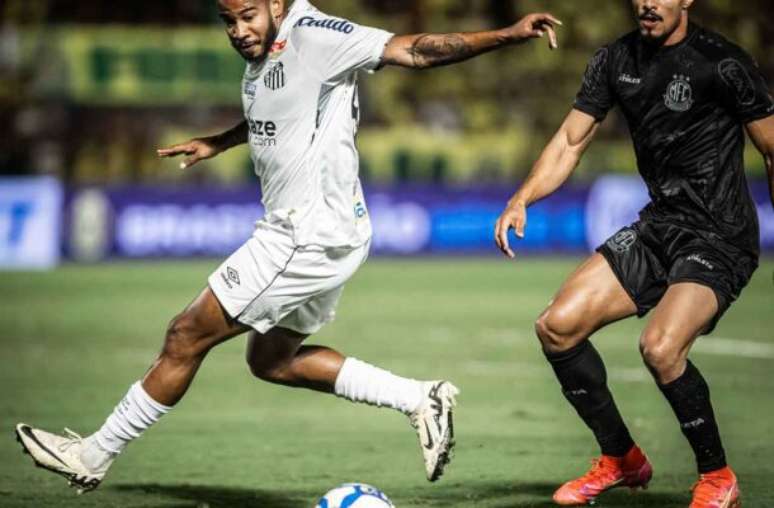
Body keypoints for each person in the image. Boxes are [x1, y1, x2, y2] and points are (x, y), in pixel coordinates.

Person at [16, 0, 562, 493]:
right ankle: (420, 398)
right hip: (326, 233)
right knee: (271, 361)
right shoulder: (266, 53)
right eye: (227, 19)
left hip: (304, 235)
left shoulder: (316, 35)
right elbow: (276, 114)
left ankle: (92, 454)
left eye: (248, 15)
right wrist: (220, 141)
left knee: (185, 335)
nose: (238, 30)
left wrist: (509, 35)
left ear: (277, 3)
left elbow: (415, 51)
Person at [494, 0, 773, 506]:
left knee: (661, 348)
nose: (647, 2)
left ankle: (718, 477)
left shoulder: (723, 63)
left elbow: (772, 148)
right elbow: (570, 142)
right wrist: (522, 198)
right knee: (557, 326)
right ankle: (621, 458)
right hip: (659, 227)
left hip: (719, 236)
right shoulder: (615, 59)